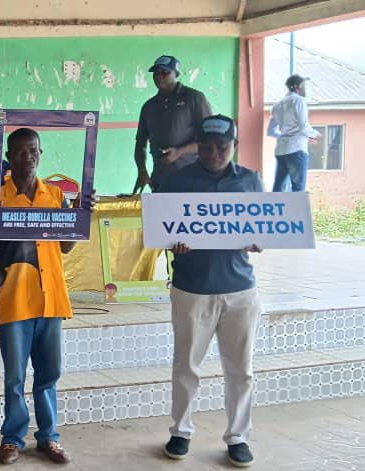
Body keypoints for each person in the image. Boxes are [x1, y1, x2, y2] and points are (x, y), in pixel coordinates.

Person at [0, 128, 92, 466]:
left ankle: (49, 438)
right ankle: (12, 439)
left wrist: (83, 214)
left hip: (51, 299)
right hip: (14, 300)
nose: (28, 157)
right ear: (9, 157)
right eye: (21, 152)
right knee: (14, 377)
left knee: (49, 375)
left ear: (41, 154)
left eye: (33, 151)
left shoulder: (56, 196)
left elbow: (67, 245)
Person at [159, 115, 263, 468]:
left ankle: (238, 437)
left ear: (234, 145)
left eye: (222, 147)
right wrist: (174, 244)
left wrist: (259, 240)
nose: (214, 153)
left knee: (241, 370)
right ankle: (181, 431)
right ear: (198, 145)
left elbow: (262, 230)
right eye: (207, 147)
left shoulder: (250, 181)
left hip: (240, 290)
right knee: (186, 366)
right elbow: (163, 233)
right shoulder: (177, 182)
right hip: (192, 289)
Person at [134, 55, 213, 193]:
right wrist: (142, 170)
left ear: (176, 73)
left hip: (193, 182)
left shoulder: (194, 98)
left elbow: (211, 142)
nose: (159, 76)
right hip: (161, 182)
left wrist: (180, 152)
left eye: (165, 72)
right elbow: (140, 144)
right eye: (156, 73)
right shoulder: (149, 106)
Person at [267, 74, 319, 192]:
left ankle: (274, 209)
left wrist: (286, 136)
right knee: (298, 188)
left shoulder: (277, 105)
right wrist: (315, 134)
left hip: (281, 151)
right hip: (297, 150)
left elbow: (270, 131)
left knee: (278, 187)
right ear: (299, 86)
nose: (305, 88)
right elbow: (303, 125)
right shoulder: (298, 101)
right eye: (304, 85)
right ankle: (297, 211)